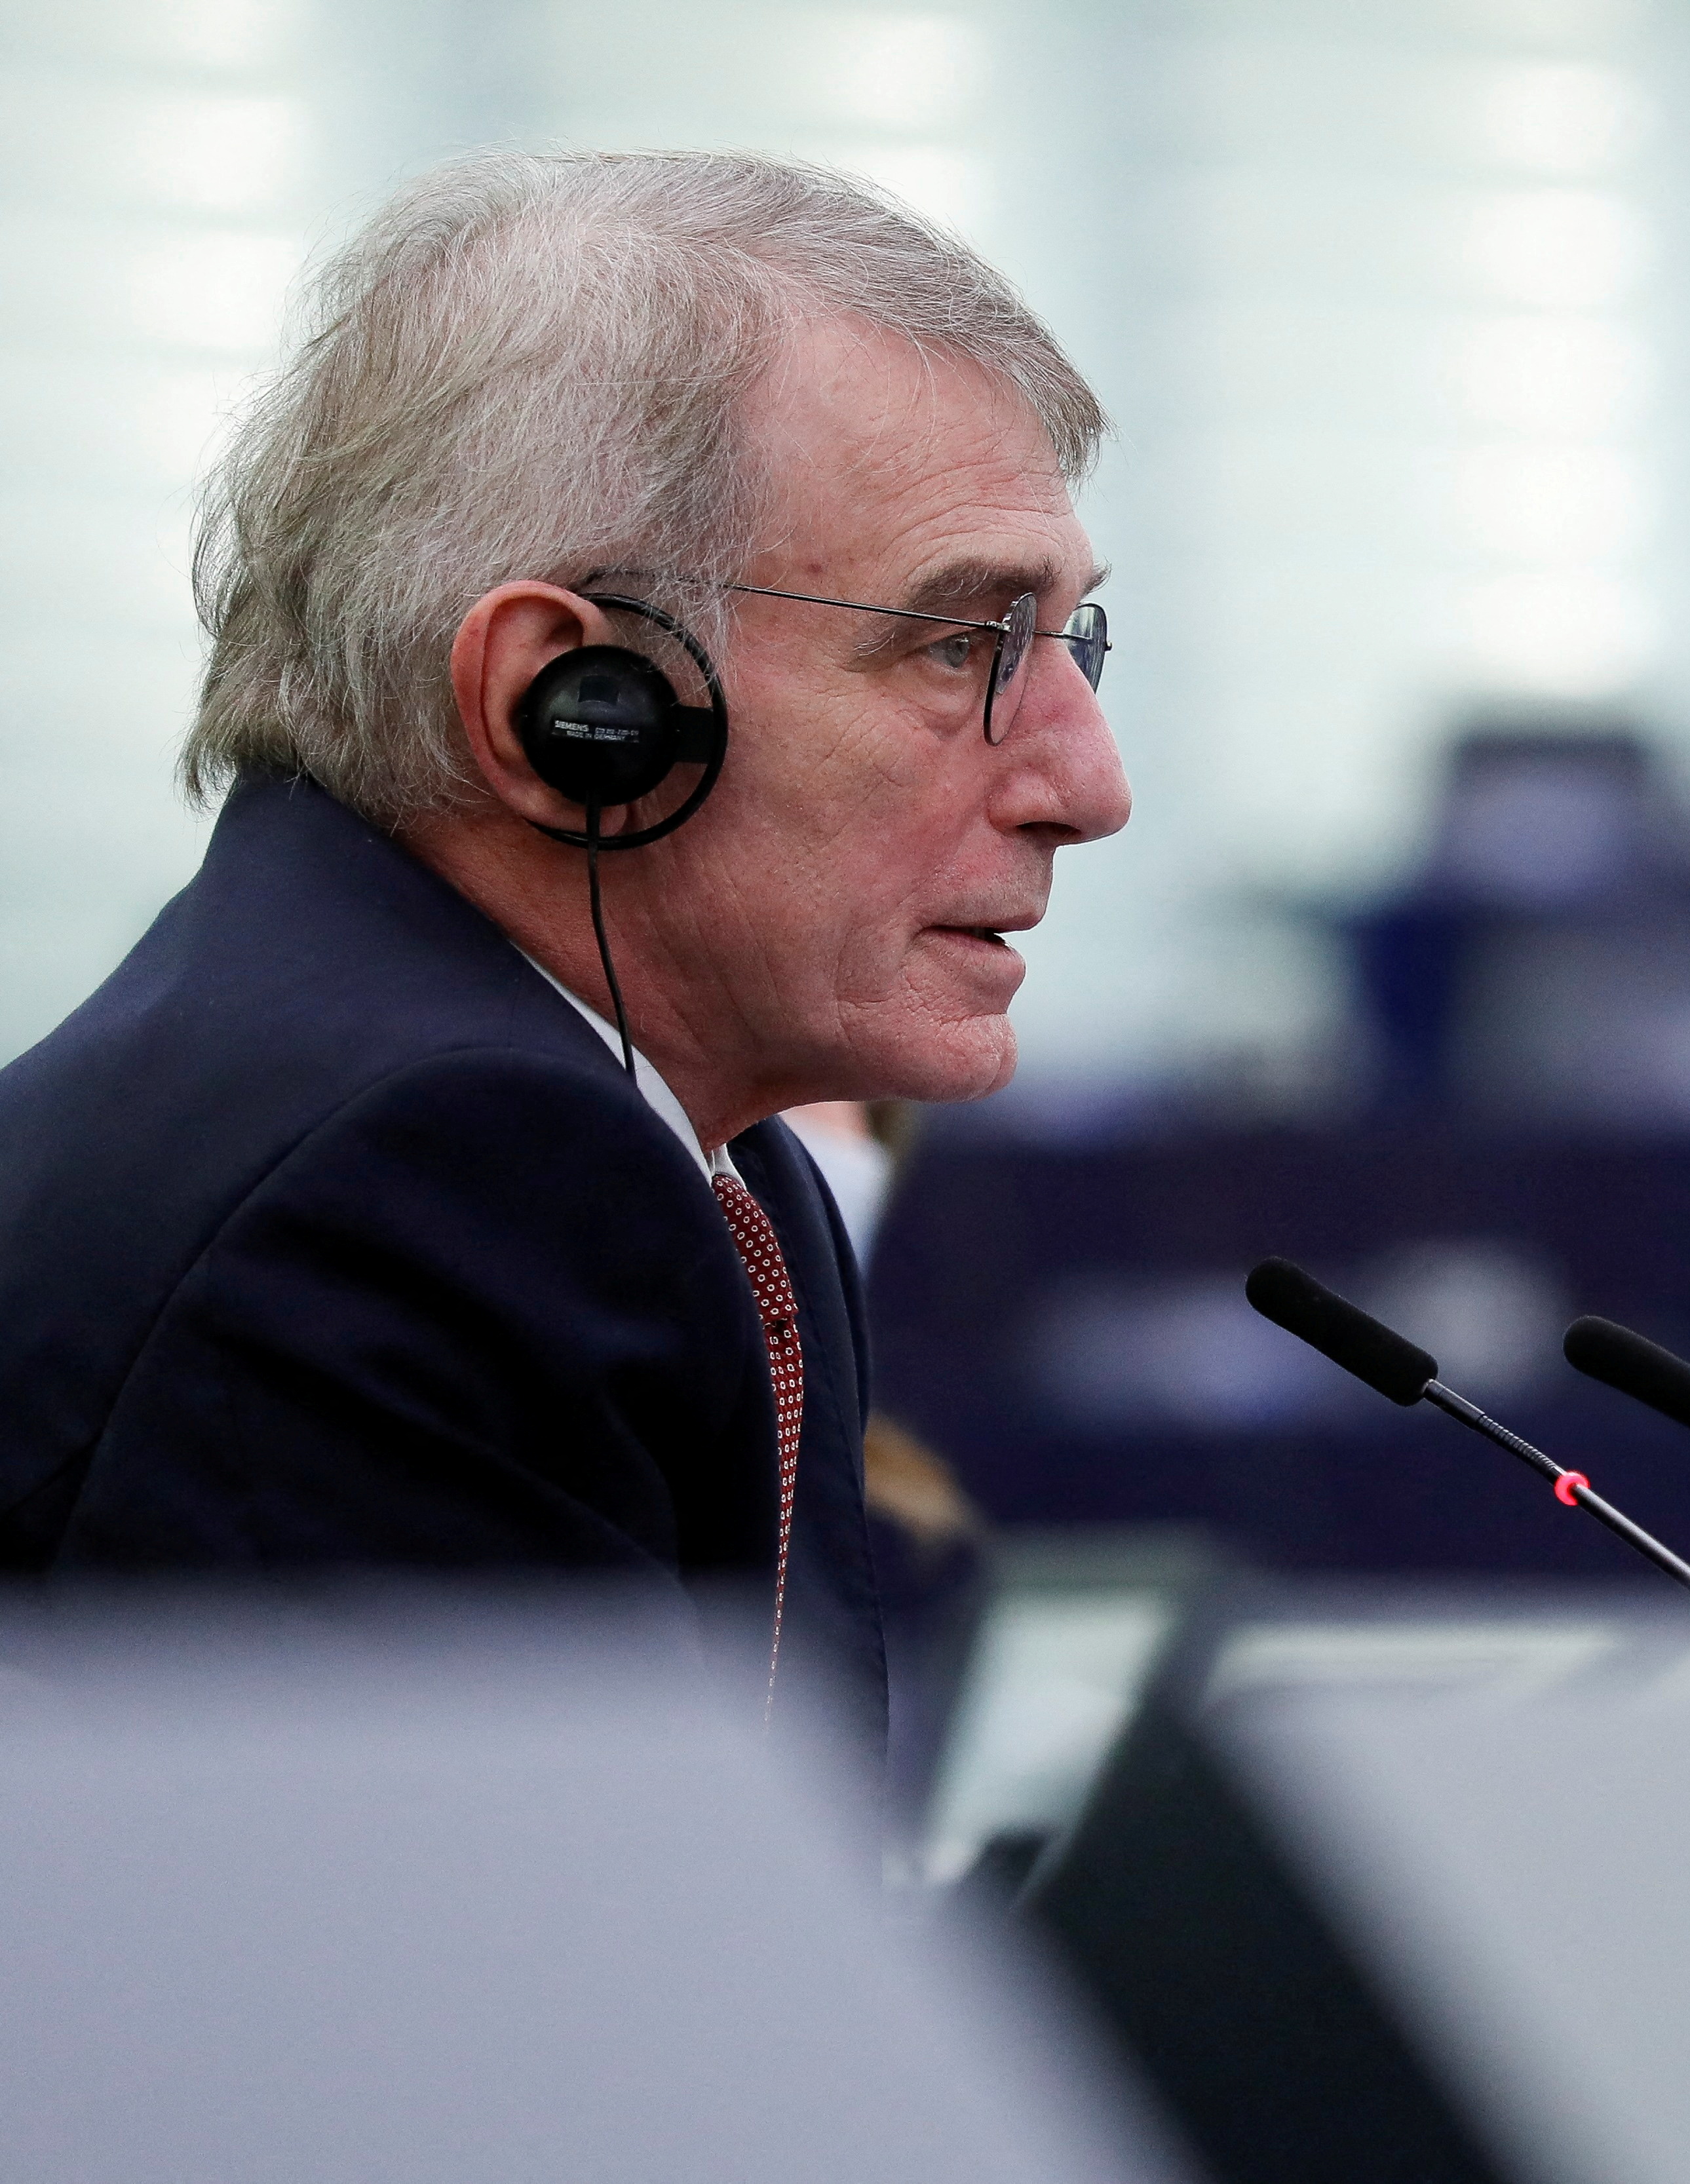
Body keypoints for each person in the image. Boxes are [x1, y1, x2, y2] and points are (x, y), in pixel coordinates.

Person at [0, 151, 1128, 1741]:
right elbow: (535, 1971)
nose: (1090, 787)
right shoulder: (421, 1177)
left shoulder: (665, 1146)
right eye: (958, 645)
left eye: (1071, 640)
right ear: (578, 709)